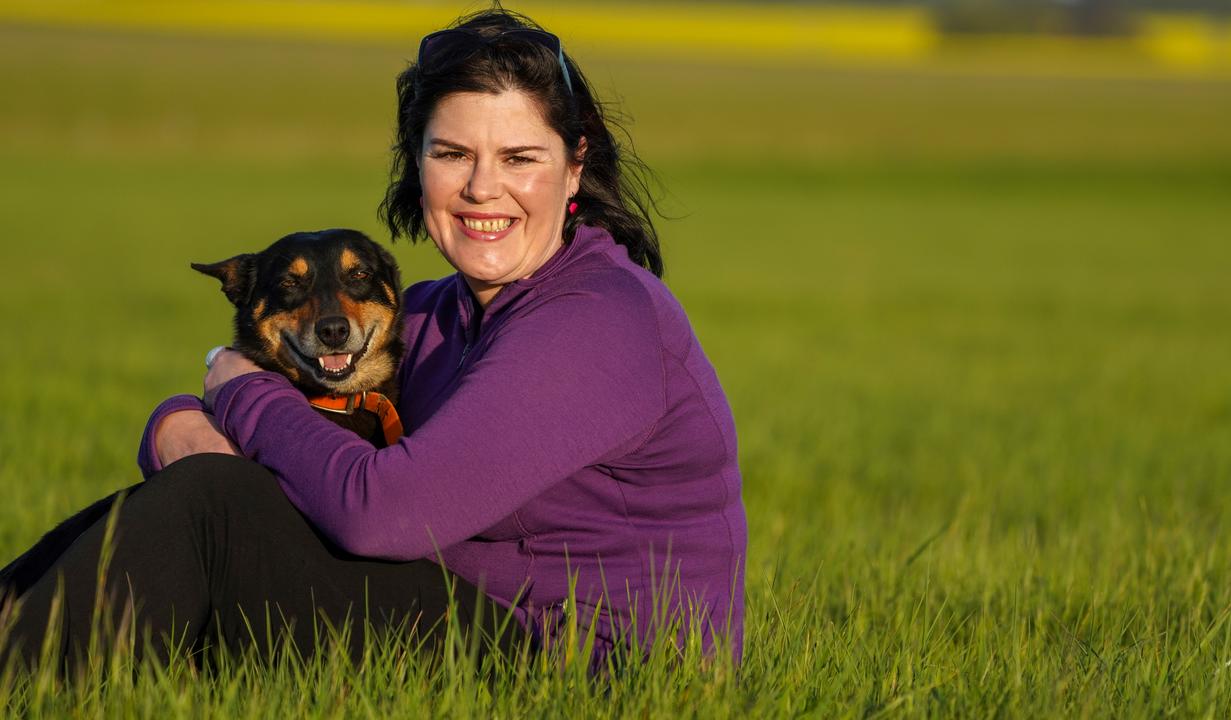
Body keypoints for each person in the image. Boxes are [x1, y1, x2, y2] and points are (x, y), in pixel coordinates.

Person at [0, 8, 746, 671]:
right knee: (209, 504)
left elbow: (380, 511)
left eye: (521, 158)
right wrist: (177, 419)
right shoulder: (429, 317)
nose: (484, 188)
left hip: (591, 664)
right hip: (484, 619)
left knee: (213, 511)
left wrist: (237, 391)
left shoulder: (599, 318)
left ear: (575, 163)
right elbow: (284, 425)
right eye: (452, 154)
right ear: (416, 165)